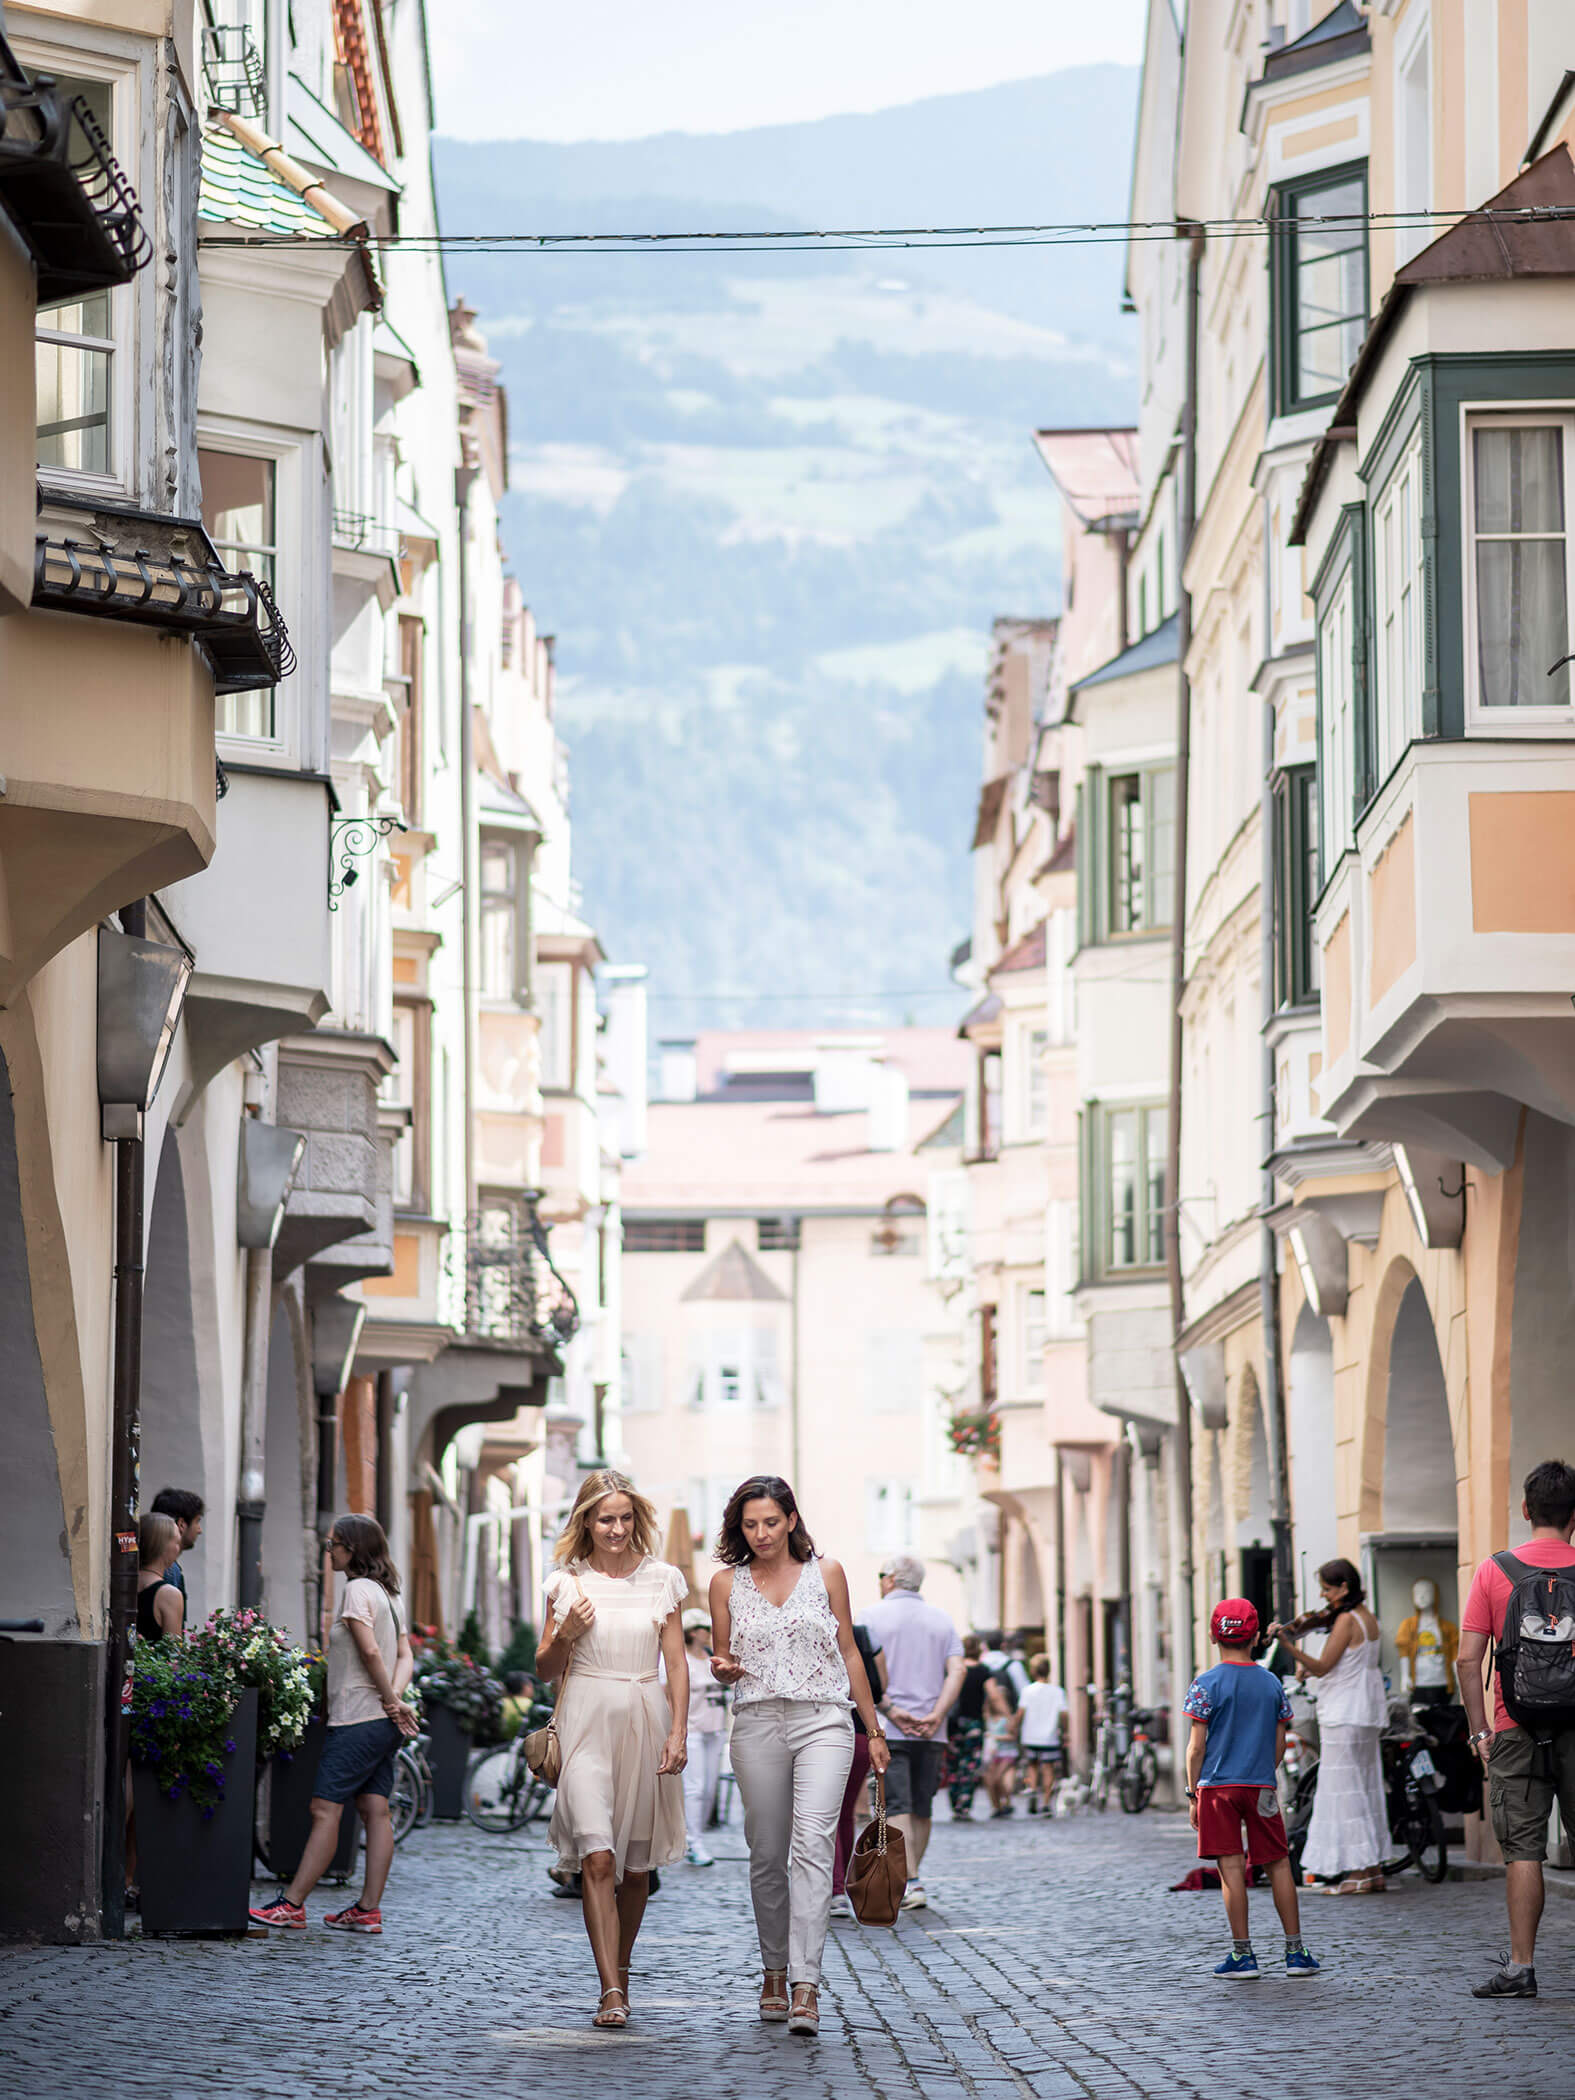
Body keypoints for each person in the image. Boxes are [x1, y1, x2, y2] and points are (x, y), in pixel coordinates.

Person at [709, 1475, 889, 2037]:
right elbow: (719, 1654)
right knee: (765, 1853)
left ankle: (805, 1985)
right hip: (758, 1721)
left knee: (812, 1845)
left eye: (770, 1521)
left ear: (790, 1519)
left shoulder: (826, 1573)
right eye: (750, 1524)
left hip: (825, 1721)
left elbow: (849, 1652)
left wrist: (874, 1729)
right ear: (739, 1529)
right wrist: (722, 1666)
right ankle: (773, 1969)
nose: (761, 1533)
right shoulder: (724, 1584)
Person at [537, 1469, 688, 2028]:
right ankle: (610, 1990)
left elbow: (675, 1664)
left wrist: (679, 1732)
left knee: (638, 1869)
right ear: (586, 1522)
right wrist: (566, 1633)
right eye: (606, 1518)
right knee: (598, 1857)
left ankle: (620, 1970)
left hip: (646, 1721)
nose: (617, 1528)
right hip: (584, 1725)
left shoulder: (663, 1579)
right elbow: (545, 1668)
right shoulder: (563, 1584)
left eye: (625, 1517)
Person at [250, 1513, 417, 1936]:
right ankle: (367, 1910)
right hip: (381, 1722)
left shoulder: (357, 1591)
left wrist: (390, 1700)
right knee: (375, 1810)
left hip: (358, 1719)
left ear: (353, 1548)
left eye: (334, 1545)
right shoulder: (389, 1595)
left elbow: (370, 1654)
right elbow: (405, 1657)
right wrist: (395, 1703)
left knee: (324, 1809)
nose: (329, 1552)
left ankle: (291, 1904)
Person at [1458, 1459, 1575, 1999]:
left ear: (1526, 1511)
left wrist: (1481, 1732)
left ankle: (1521, 1968)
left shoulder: (1493, 1571)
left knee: (1523, 1850)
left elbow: (1467, 1660)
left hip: (1513, 1727)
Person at [1184, 1597, 1319, 1980]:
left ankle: (1243, 1955)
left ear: (1214, 1636)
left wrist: (1192, 1793)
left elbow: (1196, 1747)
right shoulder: (1271, 1682)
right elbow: (1279, 1743)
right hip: (1260, 1784)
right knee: (1277, 1864)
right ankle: (1295, 1952)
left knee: (1231, 1867)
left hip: (1216, 1789)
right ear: (1257, 1636)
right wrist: (1263, 1772)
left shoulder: (1204, 1684)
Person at [1269, 1558, 1388, 1894]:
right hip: (1363, 1713)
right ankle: (1373, 1868)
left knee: (1344, 1792)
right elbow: (1347, 1663)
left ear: (1344, 1587)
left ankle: (1357, 1873)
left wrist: (1289, 1647)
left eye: (1326, 1588)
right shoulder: (1367, 1618)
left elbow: (1323, 1666)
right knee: (1365, 1787)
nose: (1322, 1595)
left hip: (1343, 1712)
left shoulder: (1347, 1620)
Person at [863, 1552, 965, 1912]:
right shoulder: (942, 1620)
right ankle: (912, 1879)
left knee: (897, 1805)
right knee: (922, 1807)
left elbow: (861, 1671)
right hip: (931, 1730)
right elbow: (958, 1671)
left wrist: (889, 1707)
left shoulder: (870, 1618)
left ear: (890, 1578)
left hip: (888, 1726)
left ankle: (912, 1881)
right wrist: (937, 1714)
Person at [830, 1617, 886, 1917]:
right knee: (844, 1814)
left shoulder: (821, 1628)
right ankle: (841, 1887)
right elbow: (881, 1686)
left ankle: (835, 1888)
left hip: (831, 1731)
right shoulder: (864, 1634)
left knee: (824, 1813)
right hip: (862, 1734)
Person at [681, 1607, 726, 1866]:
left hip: (715, 1728)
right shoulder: (681, 1660)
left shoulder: (711, 1658)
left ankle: (696, 1838)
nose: (709, 1633)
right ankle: (693, 1842)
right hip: (692, 1729)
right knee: (695, 1788)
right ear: (692, 1632)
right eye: (704, 1629)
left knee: (709, 1789)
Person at [946, 1635, 993, 1819]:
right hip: (974, 1724)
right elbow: (994, 1694)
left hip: (953, 1724)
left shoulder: (953, 1670)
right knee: (970, 1765)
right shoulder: (983, 1671)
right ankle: (964, 1806)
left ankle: (955, 1803)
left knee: (953, 1764)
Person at [1018, 1654, 1069, 1814]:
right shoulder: (1057, 1691)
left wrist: (1014, 1727)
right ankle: (1046, 1802)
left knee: (1032, 1766)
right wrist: (1065, 1731)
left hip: (1030, 1735)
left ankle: (1032, 1789)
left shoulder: (1028, 1691)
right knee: (1048, 1768)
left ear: (1032, 1671)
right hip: (1049, 1736)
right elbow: (1064, 1714)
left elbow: (1021, 1712)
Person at [135, 1512, 185, 1644]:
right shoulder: (170, 1595)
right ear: (164, 1547)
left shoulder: (121, 1583)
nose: (178, 1549)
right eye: (177, 1542)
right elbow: (173, 1656)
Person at [149, 1488, 204, 1602]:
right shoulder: (169, 1570)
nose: (199, 1530)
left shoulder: (152, 1564)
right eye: (197, 1521)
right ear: (181, 1524)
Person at [981, 1672, 1020, 1816]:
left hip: (1007, 1753)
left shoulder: (1009, 1717)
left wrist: (995, 1737)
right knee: (990, 1780)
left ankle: (1006, 1802)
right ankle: (997, 1806)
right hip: (992, 1753)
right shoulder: (987, 1715)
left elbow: (1013, 1736)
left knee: (999, 1779)